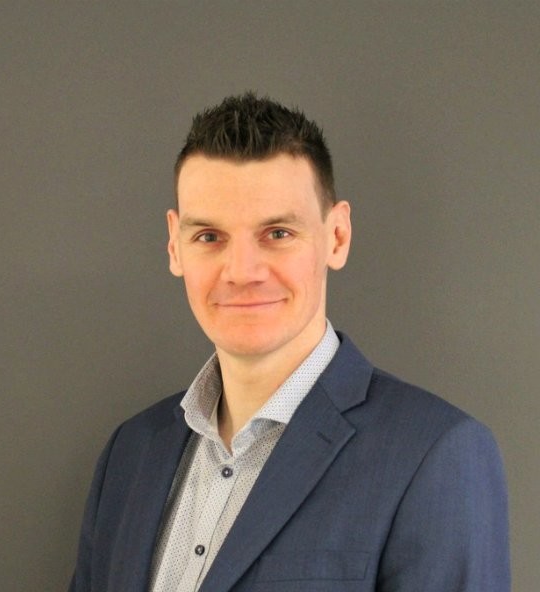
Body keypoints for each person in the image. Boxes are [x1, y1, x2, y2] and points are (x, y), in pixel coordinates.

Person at [68, 93, 510, 591]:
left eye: (277, 233)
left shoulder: (436, 455)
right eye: (209, 237)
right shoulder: (130, 454)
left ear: (337, 236)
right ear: (175, 245)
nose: (241, 272)